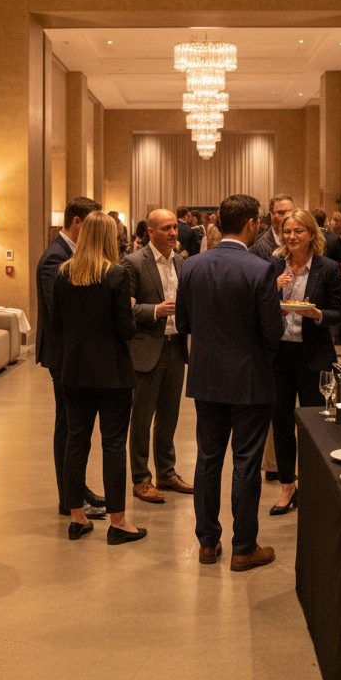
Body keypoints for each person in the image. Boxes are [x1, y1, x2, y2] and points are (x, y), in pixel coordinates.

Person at [175, 194, 284, 571]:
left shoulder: (191, 267)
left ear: (219, 221)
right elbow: (274, 331)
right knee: (246, 463)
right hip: (250, 378)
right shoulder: (260, 269)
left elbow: (184, 324)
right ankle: (244, 547)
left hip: (206, 376)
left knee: (208, 458)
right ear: (253, 223)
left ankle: (207, 543)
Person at [52, 212, 145, 544]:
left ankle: (77, 517)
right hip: (113, 373)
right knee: (113, 445)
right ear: (109, 238)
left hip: (74, 372)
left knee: (76, 442)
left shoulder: (63, 275)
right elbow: (126, 330)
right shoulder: (116, 276)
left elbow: (57, 326)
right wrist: (131, 306)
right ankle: (118, 522)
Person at [268, 209, 341, 515]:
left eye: (298, 231)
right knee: (282, 423)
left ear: (312, 234)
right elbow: (258, 306)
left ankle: (315, 485)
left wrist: (317, 314)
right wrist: (272, 289)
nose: (292, 237)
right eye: (287, 231)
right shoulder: (274, 266)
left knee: (315, 424)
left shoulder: (328, 268)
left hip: (313, 355)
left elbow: (338, 312)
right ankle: (288, 486)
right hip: (279, 355)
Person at [35, 196, 107, 519]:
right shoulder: (55, 258)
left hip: (73, 352)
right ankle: (69, 498)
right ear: (78, 223)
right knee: (68, 425)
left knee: (76, 425)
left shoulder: (72, 254)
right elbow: (58, 309)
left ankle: (78, 487)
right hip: (62, 353)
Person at [123, 209, 193, 504]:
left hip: (176, 347)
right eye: (166, 228)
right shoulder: (134, 262)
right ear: (150, 232)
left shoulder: (182, 262)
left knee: (169, 415)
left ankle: (166, 471)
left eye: (175, 227)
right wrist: (154, 311)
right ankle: (141, 478)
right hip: (147, 348)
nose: (173, 233)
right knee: (142, 417)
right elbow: (123, 308)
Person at [250, 194, 295, 260]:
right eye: (282, 213)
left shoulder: (302, 241)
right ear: (271, 215)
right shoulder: (258, 248)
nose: (288, 216)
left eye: (292, 212)